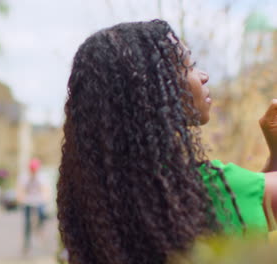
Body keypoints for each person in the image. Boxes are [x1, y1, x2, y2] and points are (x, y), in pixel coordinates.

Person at [57, 19, 277, 264]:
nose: (203, 76)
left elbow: (256, 200)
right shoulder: (211, 189)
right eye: (190, 65)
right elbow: (255, 199)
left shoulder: (105, 198)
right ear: (156, 91)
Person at [16, 158, 50, 255]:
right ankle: (26, 244)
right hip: (28, 201)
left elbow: (46, 190)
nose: (33, 171)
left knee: (41, 216)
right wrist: (20, 198)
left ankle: (39, 228)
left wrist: (45, 198)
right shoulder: (24, 177)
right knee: (27, 223)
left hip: (39, 201)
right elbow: (20, 189)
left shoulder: (42, 177)